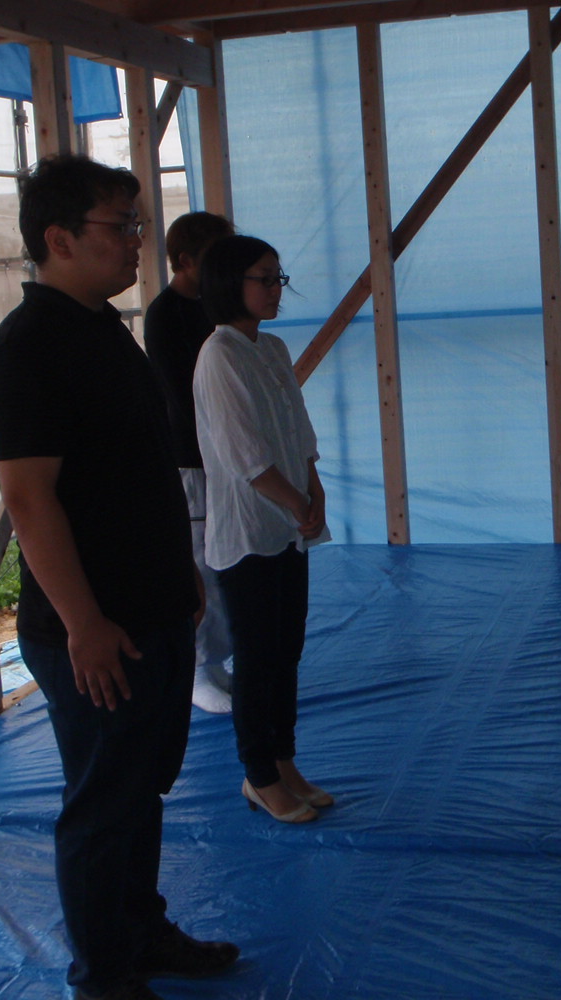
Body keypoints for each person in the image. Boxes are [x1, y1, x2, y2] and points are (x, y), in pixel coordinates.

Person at [0, 155, 239, 1000]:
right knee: (102, 803)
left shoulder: (103, 329)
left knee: (142, 787)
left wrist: (180, 575)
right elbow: (29, 499)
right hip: (97, 626)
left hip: (150, 605)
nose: (135, 241)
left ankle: (140, 930)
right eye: (120, 227)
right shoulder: (30, 348)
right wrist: (83, 623)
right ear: (59, 239)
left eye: (136, 224)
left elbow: (141, 472)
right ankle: (105, 976)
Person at [192, 235, 332, 825]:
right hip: (249, 529)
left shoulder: (271, 348)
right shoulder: (219, 354)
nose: (277, 290)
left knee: (286, 651)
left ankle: (284, 760)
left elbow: (298, 430)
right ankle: (259, 774)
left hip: (289, 524)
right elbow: (244, 454)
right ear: (232, 284)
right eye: (265, 279)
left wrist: (313, 488)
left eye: (279, 278)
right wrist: (297, 500)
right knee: (256, 658)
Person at [144, 211, 236, 714]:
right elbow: (181, 395)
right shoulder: (165, 314)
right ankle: (197, 667)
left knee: (227, 560)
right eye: (212, 258)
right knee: (200, 564)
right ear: (184, 261)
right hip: (190, 457)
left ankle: (216, 660)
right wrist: (215, 443)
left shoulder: (213, 307)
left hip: (222, 455)